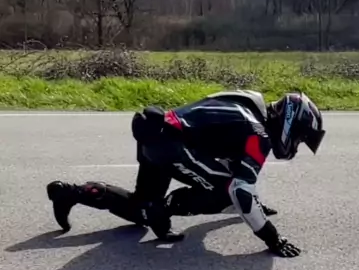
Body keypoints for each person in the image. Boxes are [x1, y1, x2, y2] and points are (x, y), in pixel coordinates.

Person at [46, 89, 325, 258]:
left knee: (140, 211)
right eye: (299, 138)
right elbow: (239, 190)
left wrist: (256, 204)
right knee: (224, 193)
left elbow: (233, 166)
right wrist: (273, 238)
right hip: (171, 145)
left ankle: (71, 192)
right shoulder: (258, 134)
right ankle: (162, 210)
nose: (296, 144)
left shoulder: (249, 101)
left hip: (155, 134)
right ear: (290, 124)